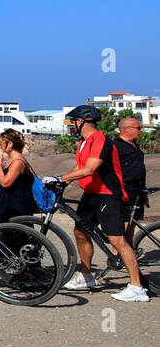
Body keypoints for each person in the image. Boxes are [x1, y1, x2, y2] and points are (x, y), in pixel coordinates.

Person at [52, 105, 148, 302]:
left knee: (117, 240)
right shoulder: (83, 142)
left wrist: (63, 178)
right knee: (80, 231)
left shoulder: (100, 139)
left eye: (73, 122)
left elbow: (90, 168)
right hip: (91, 193)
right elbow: (80, 165)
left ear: (81, 121)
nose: (71, 126)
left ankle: (137, 288)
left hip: (107, 195)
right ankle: (87, 276)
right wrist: (62, 180)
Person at [0, 128, 36, 225]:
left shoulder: (18, 162)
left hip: (15, 210)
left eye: (1, 142)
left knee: (14, 238)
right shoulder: (12, 160)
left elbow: (5, 183)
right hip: (8, 207)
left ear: (11, 144)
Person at [115, 116, 148, 239]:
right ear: (126, 129)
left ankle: (129, 252)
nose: (141, 131)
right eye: (138, 128)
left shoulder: (135, 146)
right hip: (124, 191)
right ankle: (118, 255)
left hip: (138, 191)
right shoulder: (116, 146)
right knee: (123, 224)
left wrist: (144, 192)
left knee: (132, 222)